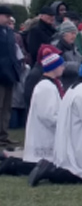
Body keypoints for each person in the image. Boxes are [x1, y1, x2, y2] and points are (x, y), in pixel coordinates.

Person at [28, 56, 82, 186]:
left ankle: (49, 170)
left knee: (76, 169)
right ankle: (48, 171)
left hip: (72, 136)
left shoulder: (72, 89)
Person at [0, 48, 65, 177]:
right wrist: (63, 122)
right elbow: (48, 115)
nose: (63, 68)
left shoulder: (48, 85)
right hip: (44, 136)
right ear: (54, 67)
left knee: (39, 164)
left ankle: (10, 162)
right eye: (61, 65)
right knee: (37, 165)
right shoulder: (46, 87)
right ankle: (11, 164)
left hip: (45, 134)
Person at [0, 5, 23, 148]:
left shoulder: (9, 32)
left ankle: (3, 135)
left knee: (6, 107)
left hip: (9, 74)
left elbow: (13, 52)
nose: (9, 19)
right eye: (6, 16)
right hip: (1, 73)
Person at [53, 20, 82, 90]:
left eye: (75, 33)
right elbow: (59, 65)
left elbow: (79, 59)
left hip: (73, 84)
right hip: (63, 86)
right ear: (64, 34)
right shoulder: (57, 47)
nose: (74, 36)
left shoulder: (74, 47)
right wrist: (78, 66)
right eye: (72, 33)